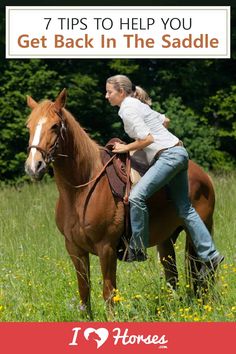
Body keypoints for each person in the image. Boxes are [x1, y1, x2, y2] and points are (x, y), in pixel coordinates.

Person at [105, 74, 224, 278]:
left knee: (136, 196)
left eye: (109, 92)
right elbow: (165, 121)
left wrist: (126, 147)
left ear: (121, 92)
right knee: (185, 209)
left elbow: (147, 139)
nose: (106, 96)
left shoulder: (127, 109)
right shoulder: (138, 104)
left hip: (167, 157)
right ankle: (211, 255)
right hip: (179, 152)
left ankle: (138, 248)